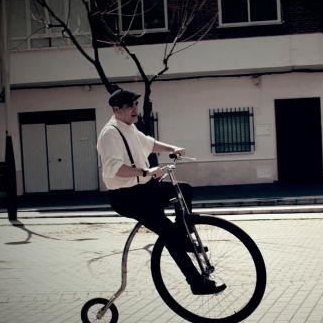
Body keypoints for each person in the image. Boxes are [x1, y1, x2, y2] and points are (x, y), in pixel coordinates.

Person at [96, 88, 226, 295]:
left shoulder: (129, 128)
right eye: (130, 105)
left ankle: (184, 237)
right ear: (116, 109)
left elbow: (150, 143)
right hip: (127, 197)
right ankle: (196, 280)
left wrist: (173, 148)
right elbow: (114, 168)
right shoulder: (110, 133)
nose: (135, 108)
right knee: (169, 234)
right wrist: (145, 171)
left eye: (136, 104)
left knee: (183, 190)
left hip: (142, 190)